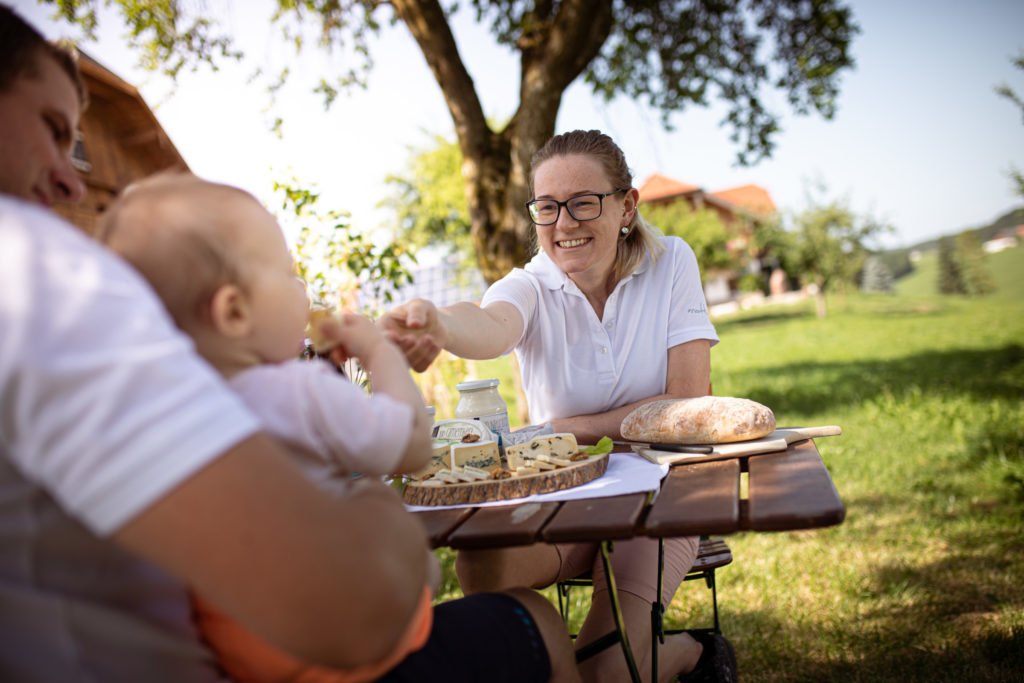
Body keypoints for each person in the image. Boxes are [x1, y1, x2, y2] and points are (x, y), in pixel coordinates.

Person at [0, 5, 579, 682]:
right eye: (52, 129)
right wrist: (374, 504)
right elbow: (354, 608)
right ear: (233, 307)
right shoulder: (36, 270)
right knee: (531, 621)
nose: (73, 177)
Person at [379, 129, 736, 683]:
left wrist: (572, 428)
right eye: (548, 207)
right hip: (566, 498)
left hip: (659, 497)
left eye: (583, 203)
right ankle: (552, 648)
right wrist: (439, 322)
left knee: (609, 676)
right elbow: (491, 323)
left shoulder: (671, 262)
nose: (564, 223)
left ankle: (695, 652)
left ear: (627, 205)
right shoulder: (531, 285)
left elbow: (690, 400)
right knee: (483, 562)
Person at [98, 171, 441, 683]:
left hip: (243, 656)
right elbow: (413, 448)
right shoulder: (297, 391)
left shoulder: (153, 421)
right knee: (532, 618)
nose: (303, 290)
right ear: (234, 312)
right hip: (348, 641)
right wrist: (379, 352)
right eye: (289, 274)